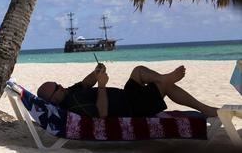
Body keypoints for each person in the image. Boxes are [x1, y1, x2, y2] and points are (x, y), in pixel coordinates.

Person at [37, 63, 218, 118]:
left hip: (127, 96)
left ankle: (163, 79)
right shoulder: (74, 103)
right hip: (132, 107)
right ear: (54, 99)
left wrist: (96, 72)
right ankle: (205, 109)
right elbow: (102, 114)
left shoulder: (69, 93)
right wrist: (101, 86)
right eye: (57, 87)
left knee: (138, 71)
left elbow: (85, 83)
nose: (61, 86)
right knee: (164, 86)